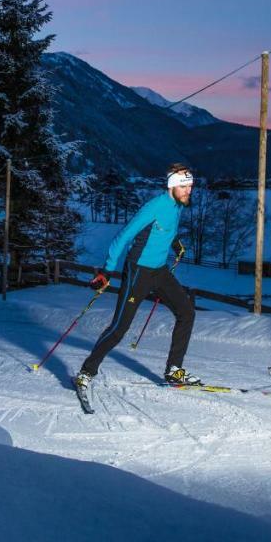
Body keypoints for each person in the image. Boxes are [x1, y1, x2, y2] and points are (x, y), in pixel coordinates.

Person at [74, 164, 200, 396]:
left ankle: (174, 369)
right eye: (184, 186)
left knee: (187, 312)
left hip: (159, 271)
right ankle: (86, 373)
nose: (188, 190)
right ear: (172, 185)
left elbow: (165, 229)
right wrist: (107, 271)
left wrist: (174, 242)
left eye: (190, 185)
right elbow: (122, 238)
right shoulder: (154, 207)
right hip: (138, 272)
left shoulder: (177, 205)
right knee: (120, 327)